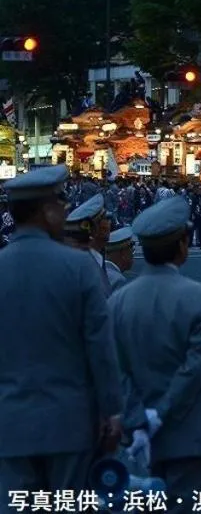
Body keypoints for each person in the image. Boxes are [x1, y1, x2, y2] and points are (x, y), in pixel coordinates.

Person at [0, 165, 122, 492]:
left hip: (9, 421)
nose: (65, 210)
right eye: (60, 203)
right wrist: (111, 410)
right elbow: (100, 345)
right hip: (69, 421)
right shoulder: (79, 266)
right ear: (46, 211)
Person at [110, 196, 201, 506]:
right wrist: (158, 415)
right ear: (182, 246)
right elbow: (195, 367)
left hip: (139, 431)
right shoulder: (199, 296)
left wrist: (139, 419)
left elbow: (118, 369)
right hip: (193, 430)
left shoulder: (119, 300)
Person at [64, 192, 112, 294]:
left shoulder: (89, 260)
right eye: (107, 219)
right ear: (98, 228)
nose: (109, 224)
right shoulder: (86, 268)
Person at [104, 226, 133, 293]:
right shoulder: (118, 280)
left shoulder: (99, 270)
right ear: (123, 253)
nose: (132, 255)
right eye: (131, 250)